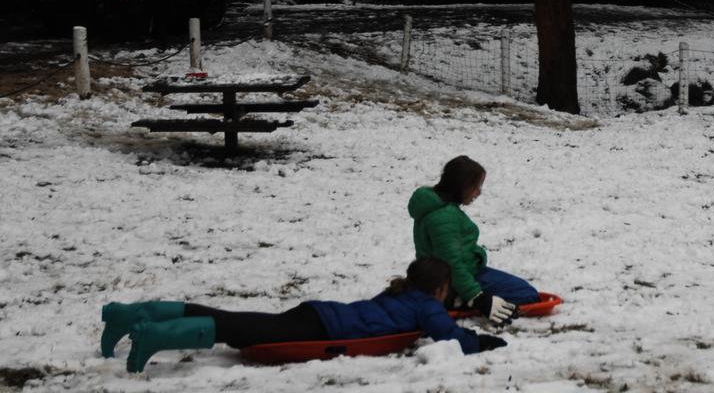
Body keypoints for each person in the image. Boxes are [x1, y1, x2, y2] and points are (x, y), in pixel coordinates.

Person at [100, 257, 506, 373]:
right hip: (320, 328)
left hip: (317, 313)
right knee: (238, 328)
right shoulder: (427, 306)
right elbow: (446, 335)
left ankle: (130, 313)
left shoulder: (398, 291)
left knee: (236, 319)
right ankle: (153, 336)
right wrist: (479, 341)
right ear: (439, 290)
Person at [409, 156, 539, 326]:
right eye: (476, 186)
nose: (479, 192)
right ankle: (453, 300)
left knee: (521, 291)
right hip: (454, 281)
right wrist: (477, 298)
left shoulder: (438, 207)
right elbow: (451, 264)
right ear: (461, 185)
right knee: (526, 294)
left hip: (458, 274)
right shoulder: (443, 217)